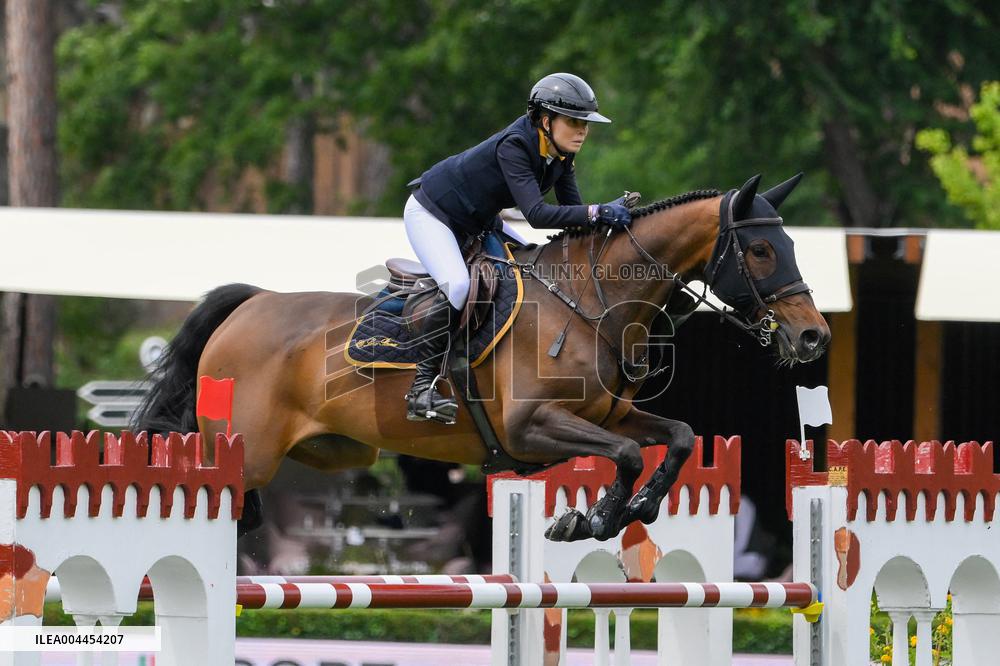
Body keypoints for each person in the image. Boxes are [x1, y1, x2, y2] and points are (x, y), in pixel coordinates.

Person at [403, 72, 633, 423]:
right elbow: (538, 215)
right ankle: (421, 389)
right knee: (459, 286)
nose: (583, 131)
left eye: (585, 123)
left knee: (536, 269)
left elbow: (573, 217)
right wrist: (597, 212)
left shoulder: (560, 155)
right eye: (574, 122)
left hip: (479, 222)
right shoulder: (515, 146)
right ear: (546, 120)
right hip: (433, 214)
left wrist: (602, 218)